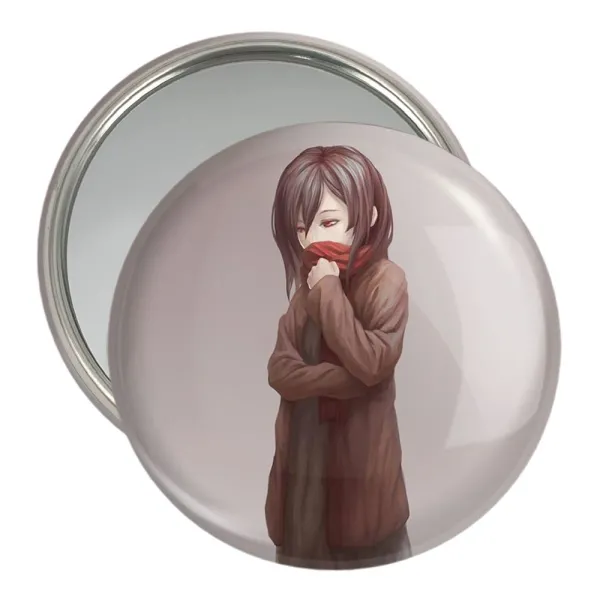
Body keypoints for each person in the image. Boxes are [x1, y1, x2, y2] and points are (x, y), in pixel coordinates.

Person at [265, 145, 412, 569]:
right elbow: (280, 370)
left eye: (328, 222)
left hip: (363, 484)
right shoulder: (308, 287)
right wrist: (343, 378)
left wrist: (329, 292)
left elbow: (372, 363)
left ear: (368, 216)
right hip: (302, 477)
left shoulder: (385, 280)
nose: (312, 240)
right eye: (301, 229)